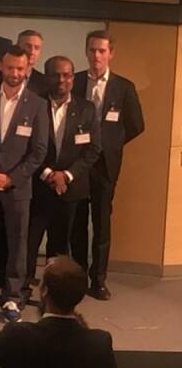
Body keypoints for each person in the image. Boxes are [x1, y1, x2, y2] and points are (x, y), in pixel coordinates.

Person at [0, 46, 49, 322]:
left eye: (20, 68)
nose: (15, 73)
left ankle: (12, 297)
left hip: (18, 188)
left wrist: (11, 178)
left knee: (18, 244)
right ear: (0, 67)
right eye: (10, 68)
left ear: (27, 69)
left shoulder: (38, 104)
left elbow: (39, 151)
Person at [71, 30, 144, 300]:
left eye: (102, 51)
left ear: (111, 53)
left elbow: (136, 125)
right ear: (86, 52)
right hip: (78, 163)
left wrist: (111, 144)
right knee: (77, 223)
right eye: (92, 50)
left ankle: (98, 280)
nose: (96, 56)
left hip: (105, 165)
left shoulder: (124, 87)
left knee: (101, 223)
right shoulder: (75, 81)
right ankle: (78, 277)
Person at [26, 56, 101, 290]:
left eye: (67, 75)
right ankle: (22, 290)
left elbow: (93, 149)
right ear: (46, 77)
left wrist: (66, 175)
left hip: (70, 189)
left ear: (73, 77)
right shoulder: (33, 104)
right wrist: (49, 174)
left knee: (60, 246)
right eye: (55, 75)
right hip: (38, 186)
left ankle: (53, 291)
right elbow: (25, 146)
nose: (61, 80)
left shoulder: (87, 109)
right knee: (29, 243)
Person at [19, 29, 50, 97]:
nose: (32, 52)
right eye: (28, 46)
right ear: (17, 47)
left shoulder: (44, 82)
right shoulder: (0, 75)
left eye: (37, 48)